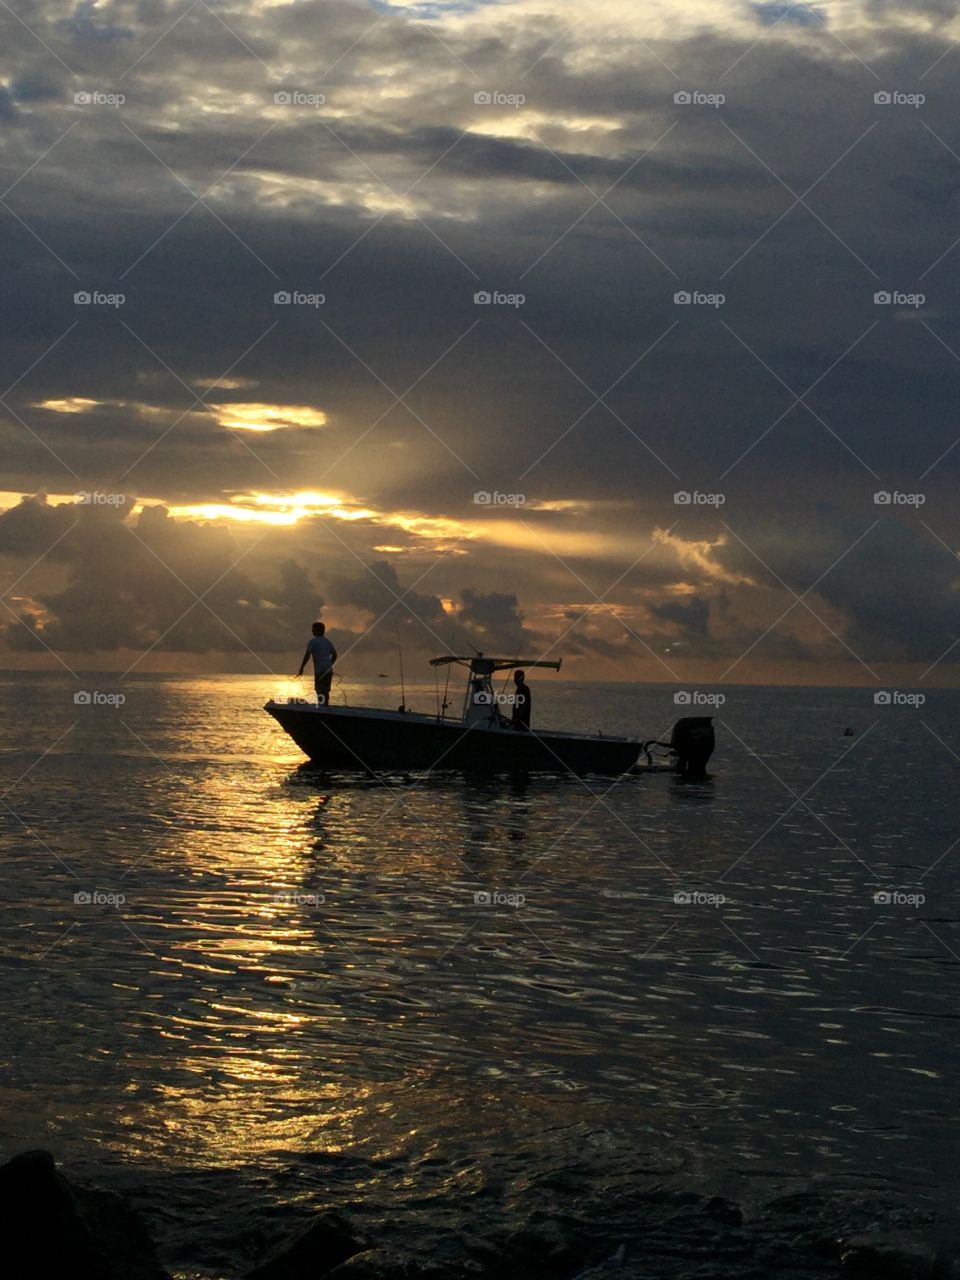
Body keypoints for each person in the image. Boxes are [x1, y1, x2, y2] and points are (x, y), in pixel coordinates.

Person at [296, 621, 338, 706]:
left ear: (318, 630)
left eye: (313, 629)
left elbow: (307, 655)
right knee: (325, 690)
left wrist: (302, 668)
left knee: (319, 689)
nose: (312, 631)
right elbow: (334, 654)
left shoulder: (313, 642)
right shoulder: (327, 642)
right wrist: (330, 664)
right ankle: (325, 706)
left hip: (320, 670)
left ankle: (322, 708)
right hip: (328, 670)